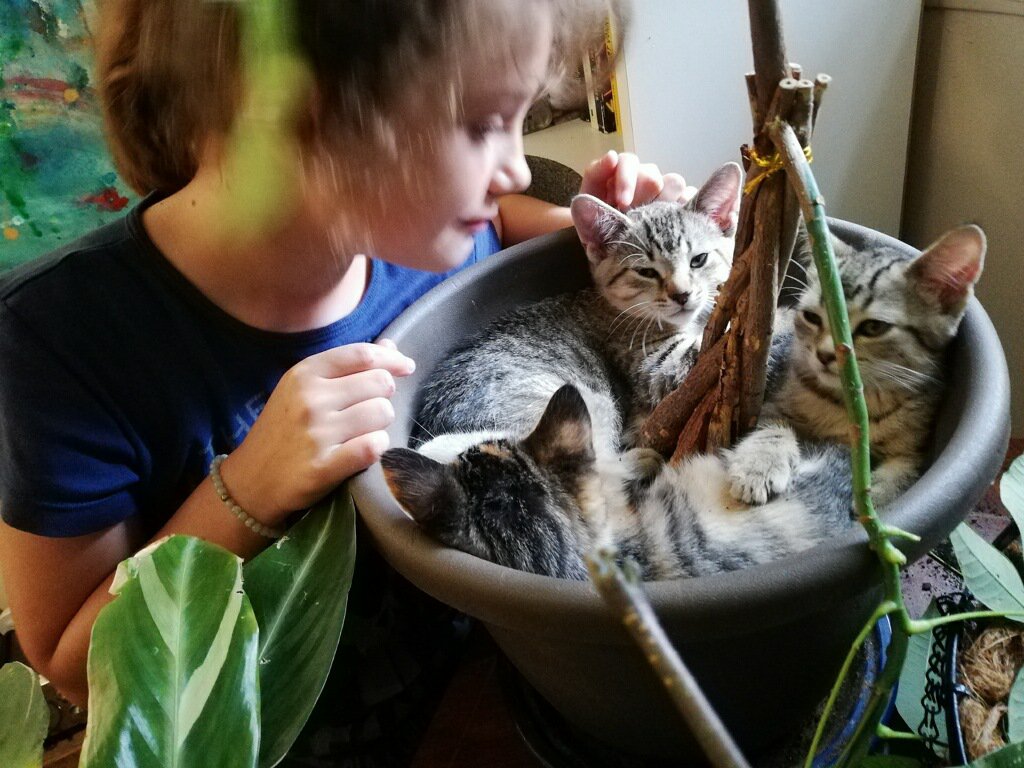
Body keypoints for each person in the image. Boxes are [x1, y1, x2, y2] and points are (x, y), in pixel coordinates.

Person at [0, 0, 688, 763]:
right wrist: (244, 494)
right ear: (300, 113)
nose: (518, 167)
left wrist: (620, 249)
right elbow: (71, 664)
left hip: (484, 685)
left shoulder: (428, 230)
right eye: (483, 123)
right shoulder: (59, 340)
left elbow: (505, 223)